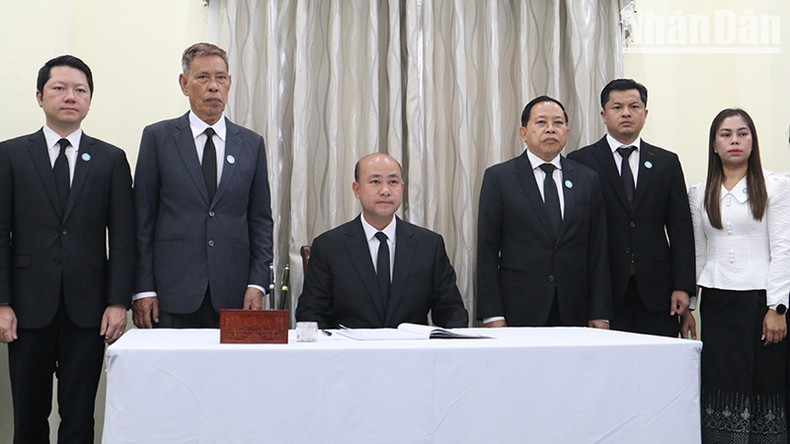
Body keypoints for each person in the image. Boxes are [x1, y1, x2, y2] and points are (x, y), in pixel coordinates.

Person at [0, 55, 134, 443]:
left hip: (88, 311)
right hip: (27, 309)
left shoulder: (111, 159)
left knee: (79, 420)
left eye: (80, 90)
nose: (70, 96)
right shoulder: (10, 156)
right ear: (39, 96)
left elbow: (122, 238)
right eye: (59, 88)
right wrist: (2, 302)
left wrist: (117, 302)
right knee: (29, 419)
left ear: (90, 99)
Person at [133, 42, 273, 328]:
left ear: (229, 83)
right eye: (202, 77)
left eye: (220, 78)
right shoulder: (158, 138)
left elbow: (260, 221)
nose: (213, 86)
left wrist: (258, 283)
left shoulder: (251, 144)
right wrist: (143, 288)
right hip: (172, 294)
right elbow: (142, 219)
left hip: (234, 294)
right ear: (184, 84)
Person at [689, 108, 789, 442]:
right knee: (721, 382)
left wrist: (777, 307)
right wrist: (690, 306)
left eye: (742, 134)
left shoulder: (775, 186)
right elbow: (698, 252)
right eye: (726, 134)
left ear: (753, 141)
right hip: (718, 301)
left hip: (761, 302)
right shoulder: (699, 192)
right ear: (714, 144)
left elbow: (783, 249)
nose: (735, 140)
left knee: (764, 382)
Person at [568, 79, 696, 338]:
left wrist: (683, 287)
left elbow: (681, 230)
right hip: (604, 291)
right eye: (617, 107)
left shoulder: (666, 163)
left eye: (634, 106)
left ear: (645, 114)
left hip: (657, 291)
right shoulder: (581, 162)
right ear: (603, 115)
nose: (626, 113)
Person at [476, 96, 611, 328]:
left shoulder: (586, 179)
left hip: (575, 307)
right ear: (523, 132)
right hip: (520, 307)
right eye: (541, 122)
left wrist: (600, 312)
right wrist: (492, 314)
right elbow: (487, 249)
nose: (550, 129)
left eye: (558, 123)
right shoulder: (500, 178)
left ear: (567, 131)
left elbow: (598, 249)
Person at [295, 153, 469, 329]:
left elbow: (452, 312)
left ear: (402, 188)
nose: (385, 190)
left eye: (393, 182)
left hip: (411, 346)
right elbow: (311, 314)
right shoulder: (329, 247)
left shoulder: (428, 245)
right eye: (375, 182)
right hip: (350, 346)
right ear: (357, 189)